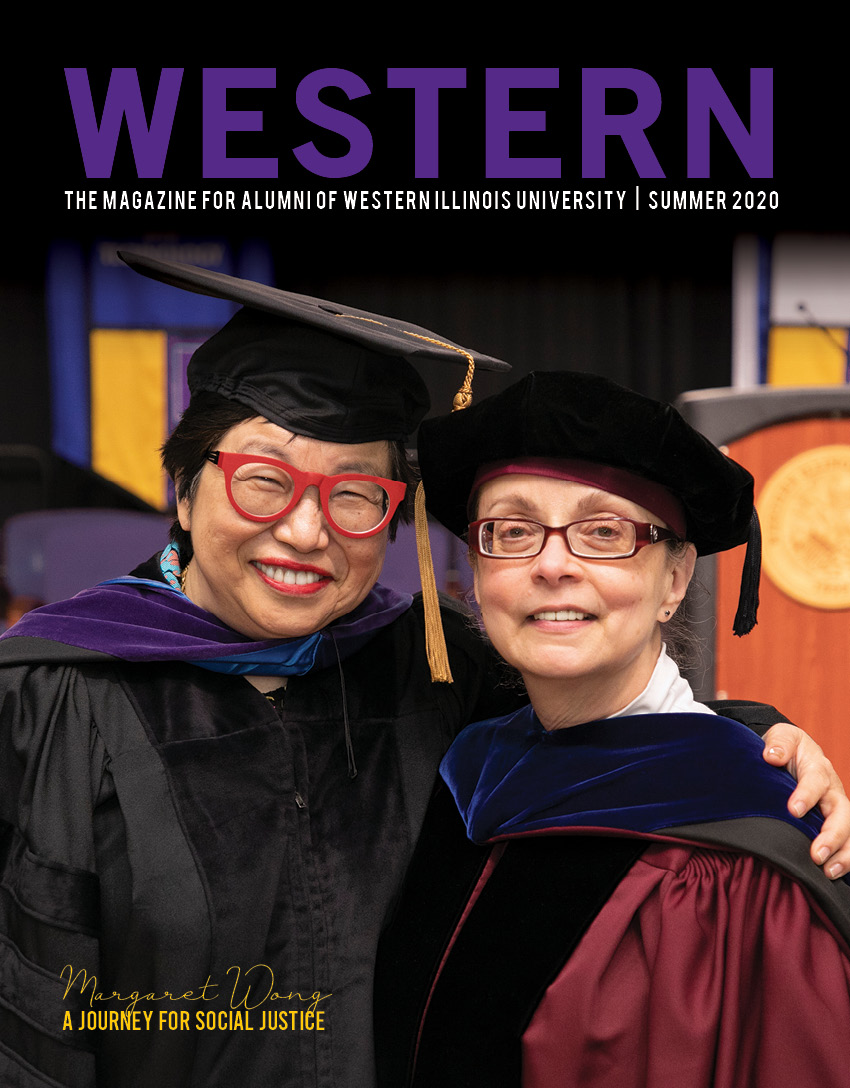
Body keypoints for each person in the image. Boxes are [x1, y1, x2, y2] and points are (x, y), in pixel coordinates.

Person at [0, 259, 845, 1088]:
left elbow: (602, 723)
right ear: (185, 491)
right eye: (264, 482)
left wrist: (757, 743)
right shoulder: (50, 702)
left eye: (355, 494)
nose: (304, 531)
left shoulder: (428, 672)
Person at [375, 370, 850, 1088]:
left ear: (675, 581)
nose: (552, 565)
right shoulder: (464, 770)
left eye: (605, 532)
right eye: (512, 531)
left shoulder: (745, 845)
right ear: (474, 571)